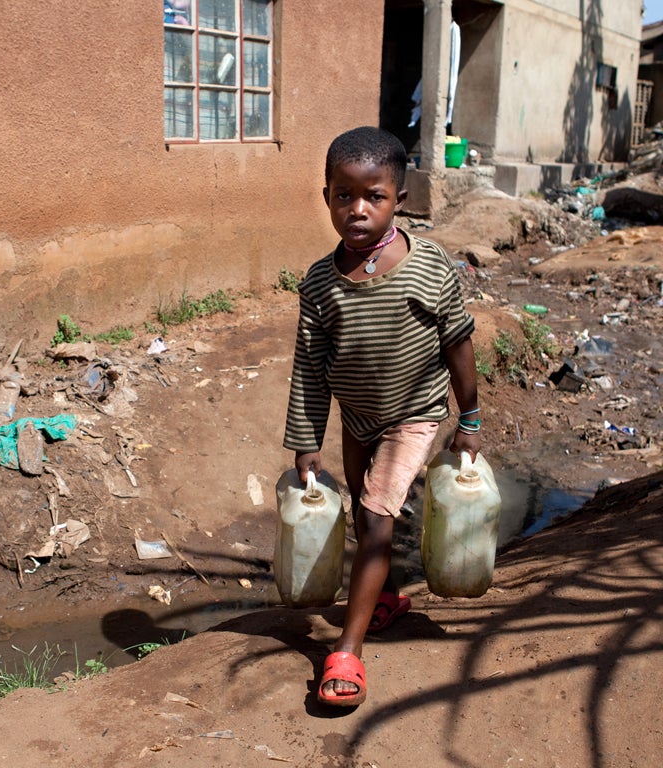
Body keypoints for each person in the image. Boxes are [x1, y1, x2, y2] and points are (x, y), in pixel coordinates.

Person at [283, 126, 481, 707]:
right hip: (358, 417)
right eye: (344, 196)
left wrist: (468, 420)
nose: (357, 210)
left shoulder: (428, 268)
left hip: (415, 414)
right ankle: (388, 596)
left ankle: (346, 651)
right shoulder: (320, 283)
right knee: (364, 511)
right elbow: (309, 365)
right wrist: (304, 439)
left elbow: (460, 346)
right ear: (326, 199)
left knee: (375, 515)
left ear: (399, 198)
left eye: (374, 196)